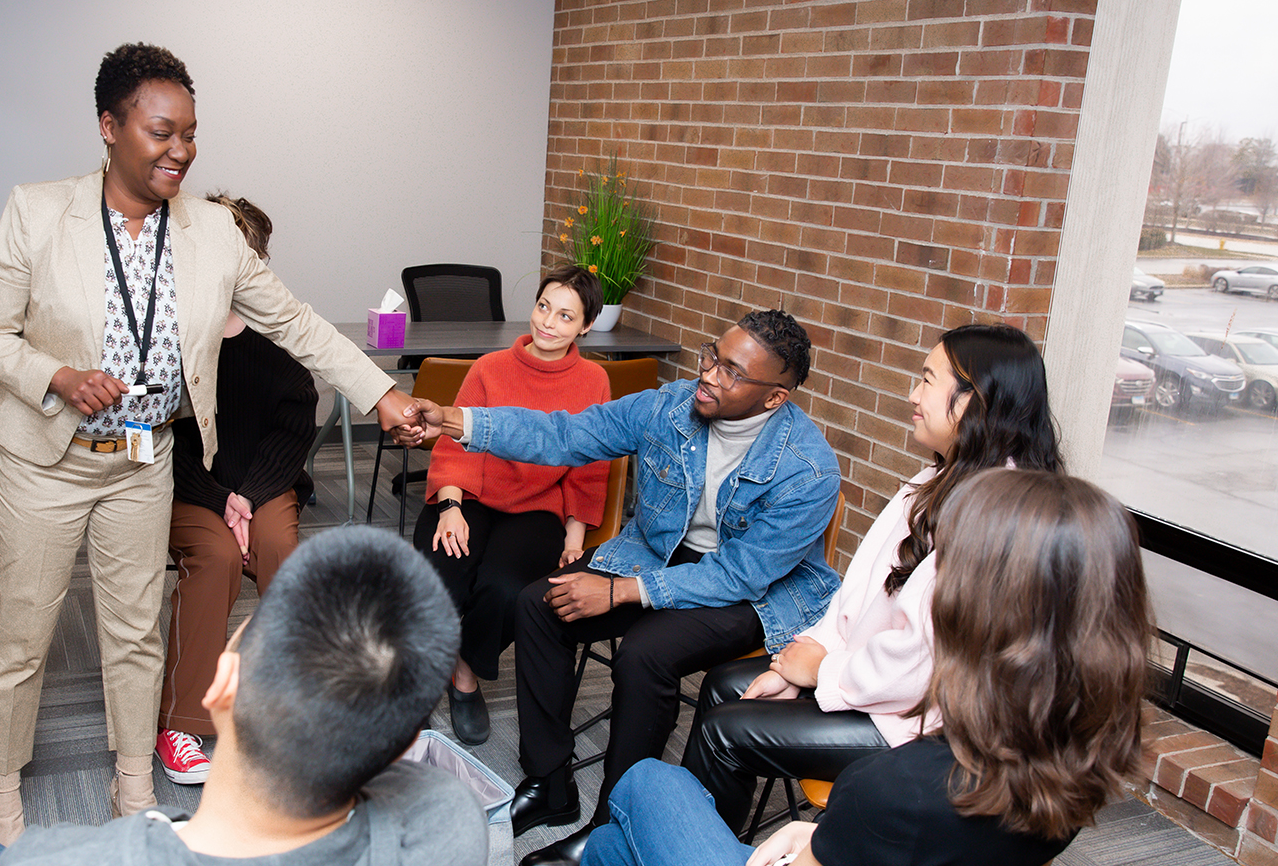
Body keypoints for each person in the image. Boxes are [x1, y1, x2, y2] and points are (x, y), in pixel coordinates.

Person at [0, 43, 419, 843]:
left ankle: (134, 778)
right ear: (109, 127)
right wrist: (57, 375)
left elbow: (298, 324)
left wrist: (379, 392)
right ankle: (0, 781)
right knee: (21, 632)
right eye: (161, 132)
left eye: (192, 134)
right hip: (47, 462)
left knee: (134, 631)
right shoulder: (37, 212)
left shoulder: (212, 233)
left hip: (141, 464)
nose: (181, 151)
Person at [408, 310, 842, 866]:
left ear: (774, 398)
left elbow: (739, 575)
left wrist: (621, 592)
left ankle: (612, 820)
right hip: (659, 552)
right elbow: (565, 433)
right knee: (539, 604)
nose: (708, 375)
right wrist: (452, 419)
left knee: (645, 653)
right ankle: (551, 784)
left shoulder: (809, 469)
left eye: (731, 372)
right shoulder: (670, 405)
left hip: (752, 592)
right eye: (713, 355)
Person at [582, 469, 1153, 866]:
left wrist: (837, 834)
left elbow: (891, 820)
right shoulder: (1078, 761)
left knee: (646, 782)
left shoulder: (889, 786)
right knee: (616, 853)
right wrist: (827, 838)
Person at [0, 525, 489, 866]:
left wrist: (164, 829)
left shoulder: (62, 858)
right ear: (408, 742)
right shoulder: (451, 820)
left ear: (221, 685)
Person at [681, 323, 1065, 832]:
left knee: (723, 733)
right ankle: (705, 840)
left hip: (928, 728)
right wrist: (807, 651)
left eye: (928, 381)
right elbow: (857, 595)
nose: (913, 394)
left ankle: (692, 844)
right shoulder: (937, 479)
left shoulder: (998, 517)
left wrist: (820, 672)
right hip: (877, 683)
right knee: (726, 685)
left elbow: (922, 668)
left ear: (976, 400)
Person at [154, 194, 320, 783]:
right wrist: (219, 497)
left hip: (260, 485)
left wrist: (248, 495)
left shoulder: (276, 330)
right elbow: (164, 435)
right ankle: (181, 723)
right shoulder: (170, 329)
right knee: (220, 556)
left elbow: (297, 418)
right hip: (189, 488)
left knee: (278, 552)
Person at [413, 262, 611, 746]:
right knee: (443, 573)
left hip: (537, 509)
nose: (548, 322)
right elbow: (455, 442)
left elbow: (590, 465)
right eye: (544, 306)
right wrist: (450, 506)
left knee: (505, 591)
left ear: (585, 326)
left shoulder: (593, 382)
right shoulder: (489, 367)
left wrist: (574, 537)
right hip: (471, 496)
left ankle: (462, 673)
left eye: (566, 316)